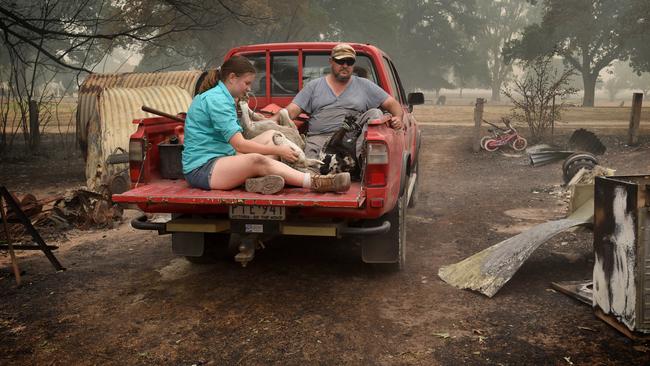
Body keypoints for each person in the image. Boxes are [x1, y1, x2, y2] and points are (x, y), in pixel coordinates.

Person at [182, 55, 351, 194]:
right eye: (247, 83)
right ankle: (315, 182)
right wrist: (279, 151)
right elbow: (239, 144)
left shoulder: (223, 97)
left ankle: (257, 181)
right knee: (258, 160)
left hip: (223, 157)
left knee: (272, 136)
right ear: (232, 77)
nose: (249, 89)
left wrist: (277, 146)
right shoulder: (217, 100)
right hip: (203, 169)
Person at [272, 43, 404, 162]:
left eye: (349, 61)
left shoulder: (365, 85)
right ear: (331, 61)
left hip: (351, 140)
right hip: (318, 140)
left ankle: (360, 160)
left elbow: (393, 105)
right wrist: (266, 123)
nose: (345, 65)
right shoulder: (313, 86)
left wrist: (398, 117)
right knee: (306, 167)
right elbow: (290, 112)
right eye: (340, 61)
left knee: (375, 113)